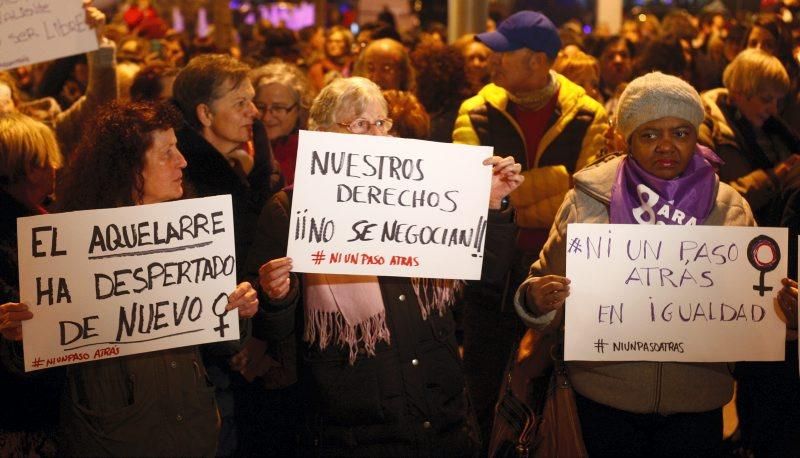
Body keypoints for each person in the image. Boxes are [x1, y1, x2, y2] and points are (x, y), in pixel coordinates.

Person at [248, 76, 524, 455]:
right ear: (323, 135)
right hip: (352, 428)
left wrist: (491, 207)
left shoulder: (421, 193)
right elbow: (271, 330)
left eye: (381, 123)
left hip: (441, 413)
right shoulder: (288, 210)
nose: (376, 135)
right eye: (360, 124)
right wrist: (277, 296)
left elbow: (488, 276)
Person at [515, 71, 756, 456]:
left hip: (697, 402)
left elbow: (753, 310)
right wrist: (538, 301)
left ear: (696, 137)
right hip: (604, 399)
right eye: (649, 134)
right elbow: (538, 291)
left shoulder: (730, 207)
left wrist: (785, 317)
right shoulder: (588, 201)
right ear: (628, 139)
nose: (666, 145)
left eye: (680, 133)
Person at [0, 101, 258, 456]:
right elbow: (39, 363)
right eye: (167, 153)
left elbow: (221, 343)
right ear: (129, 167)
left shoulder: (191, 232)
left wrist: (237, 311)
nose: (182, 161)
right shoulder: (68, 244)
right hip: (110, 436)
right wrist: (19, 337)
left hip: (193, 429)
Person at [452, 10, 608, 442]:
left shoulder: (589, 114)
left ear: (538, 60)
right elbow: (467, 192)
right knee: (481, 392)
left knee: (552, 400)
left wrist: (506, 197)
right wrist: (556, 180)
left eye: (502, 51)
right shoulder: (476, 110)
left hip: (560, 282)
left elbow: (586, 200)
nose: (491, 60)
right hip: (491, 277)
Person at [172, 53, 281, 455]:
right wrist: (237, 347)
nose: (254, 111)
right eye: (240, 103)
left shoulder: (237, 167)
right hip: (211, 367)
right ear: (204, 112)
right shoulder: (183, 182)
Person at [0, 112, 64, 457]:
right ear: (23, 169)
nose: (55, 169)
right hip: (19, 412)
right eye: (45, 162)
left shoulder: (40, 217)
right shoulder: (15, 233)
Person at [699, 48, 800, 228]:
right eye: (766, 99)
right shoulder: (706, 125)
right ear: (739, 92)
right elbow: (708, 201)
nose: (773, 110)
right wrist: (771, 179)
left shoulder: (771, 127)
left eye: (778, 101)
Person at [251, 61, 315, 186]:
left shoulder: (311, 155)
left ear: (300, 109)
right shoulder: (243, 146)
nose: (266, 117)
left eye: (278, 108)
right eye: (260, 106)